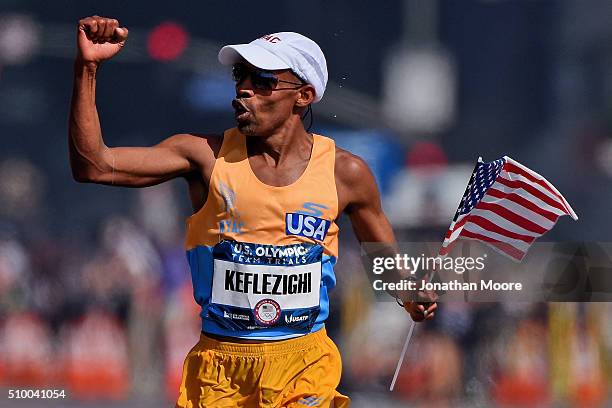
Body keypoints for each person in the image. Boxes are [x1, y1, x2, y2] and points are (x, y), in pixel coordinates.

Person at [69, 15, 438, 408]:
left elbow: (385, 260)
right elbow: (93, 165)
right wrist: (87, 68)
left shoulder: (345, 172)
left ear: (304, 95)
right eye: (241, 78)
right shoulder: (204, 156)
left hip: (304, 367)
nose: (244, 90)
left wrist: (412, 293)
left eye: (263, 82)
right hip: (220, 372)